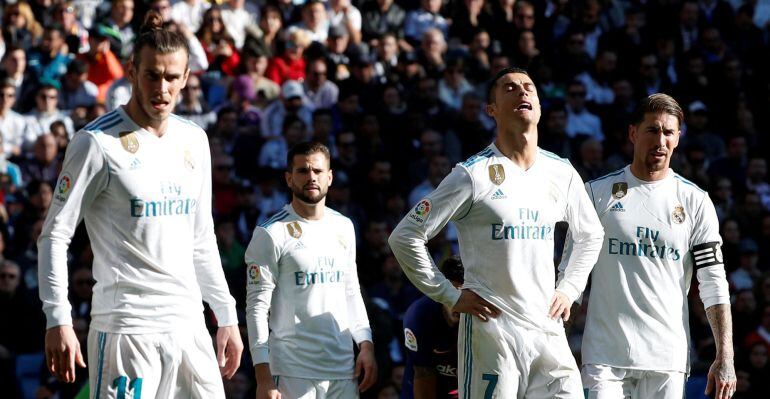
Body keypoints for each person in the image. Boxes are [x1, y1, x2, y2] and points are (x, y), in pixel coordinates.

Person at [37, 11, 243, 398]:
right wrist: (58, 318)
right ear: (131, 71)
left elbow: (201, 238)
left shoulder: (194, 140)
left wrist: (226, 314)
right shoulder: (95, 143)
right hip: (126, 330)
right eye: (152, 75)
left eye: (170, 78)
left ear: (185, 78)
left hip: (189, 326)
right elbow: (54, 236)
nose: (161, 88)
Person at [389, 67, 605, 397]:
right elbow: (404, 236)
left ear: (540, 105)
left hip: (547, 330)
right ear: (491, 110)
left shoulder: (561, 172)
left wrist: (570, 287)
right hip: (492, 332)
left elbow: (591, 234)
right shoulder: (471, 174)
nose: (522, 92)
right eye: (510, 88)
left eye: (529, 87)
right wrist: (450, 295)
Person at [564, 93, 736, 398]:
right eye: (652, 130)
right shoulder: (595, 194)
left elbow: (713, 282)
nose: (660, 141)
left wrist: (726, 356)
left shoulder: (695, 201)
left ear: (678, 138)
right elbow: (571, 279)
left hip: (666, 357)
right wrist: (558, 345)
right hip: (605, 357)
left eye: (668, 132)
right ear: (633, 133)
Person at [245, 141, 377, 398]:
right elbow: (256, 309)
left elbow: (350, 291)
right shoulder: (270, 233)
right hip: (293, 372)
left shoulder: (344, 226)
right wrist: (263, 377)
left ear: (330, 177)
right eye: (303, 171)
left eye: (317, 171)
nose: (311, 177)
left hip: (343, 371)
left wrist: (365, 342)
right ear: (289, 179)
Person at [401, 256, 464, 399]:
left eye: (464, 294)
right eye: (453, 292)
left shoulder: (485, 316)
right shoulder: (419, 316)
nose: (459, 302)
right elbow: (423, 375)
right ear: (441, 288)